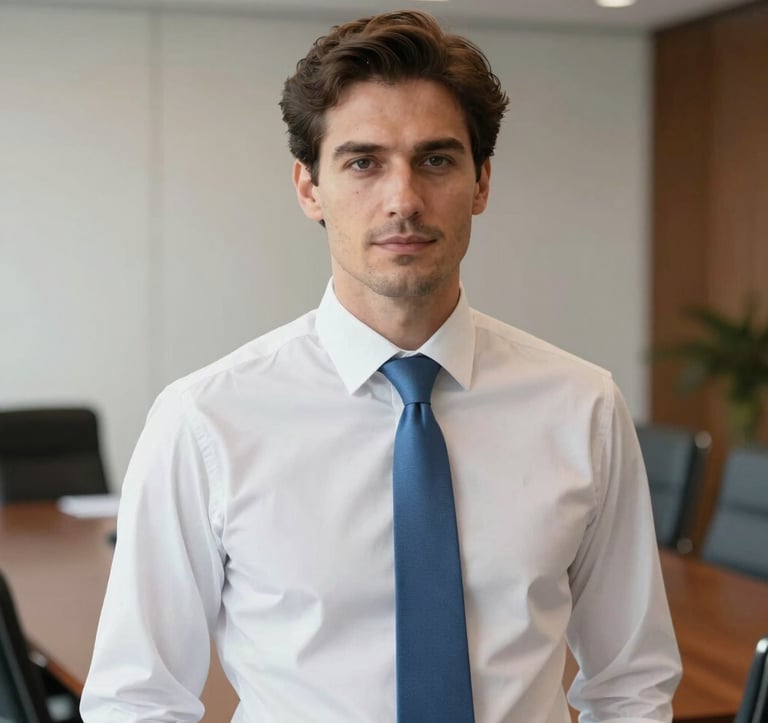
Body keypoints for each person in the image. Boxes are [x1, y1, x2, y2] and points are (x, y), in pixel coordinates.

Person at [80, 9, 681, 722]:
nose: (404, 200)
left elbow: (630, 684)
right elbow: (138, 698)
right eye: (363, 162)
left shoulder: (583, 407)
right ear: (309, 188)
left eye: (436, 160)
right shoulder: (206, 420)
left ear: (482, 183)